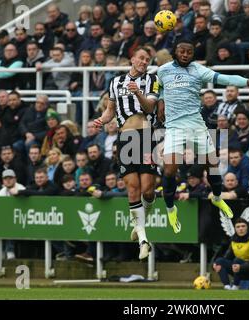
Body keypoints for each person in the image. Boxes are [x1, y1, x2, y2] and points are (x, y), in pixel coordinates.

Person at [156, 38, 249, 234]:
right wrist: (161, 101)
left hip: (195, 124)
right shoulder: (164, 70)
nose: (185, 55)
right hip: (175, 127)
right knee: (169, 171)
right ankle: (170, 209)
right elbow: (158, 88)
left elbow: (225, 79)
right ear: (175, 52)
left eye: (189, 52)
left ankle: (218, 198)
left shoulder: (198, 70)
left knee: (212, 164)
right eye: (182, 51)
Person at [93, 47, 159, 260]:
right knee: (133, 188)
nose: (144, 62)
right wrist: (101, 120)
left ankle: (140, 223)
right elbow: (110, 110)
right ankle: (142, 238)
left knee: (148, 190)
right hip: (126, 139)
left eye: (147, 59)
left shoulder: (152, 80)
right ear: (132, 59)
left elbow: (149, 108)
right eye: (141, 58)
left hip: (145, 136)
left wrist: (137, 92)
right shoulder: (115, 82)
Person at [212, 217, 249, 290]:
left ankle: (235, 286)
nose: (241, 229)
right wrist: (215, 265)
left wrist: (241, 267)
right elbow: (226, 258)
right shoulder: (234, 241)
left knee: (237, 261)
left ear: (248, 228)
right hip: (238, 269)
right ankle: (227, 287)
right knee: (219, 261)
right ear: (235, 229)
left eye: (243, 226)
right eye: (238, 227)